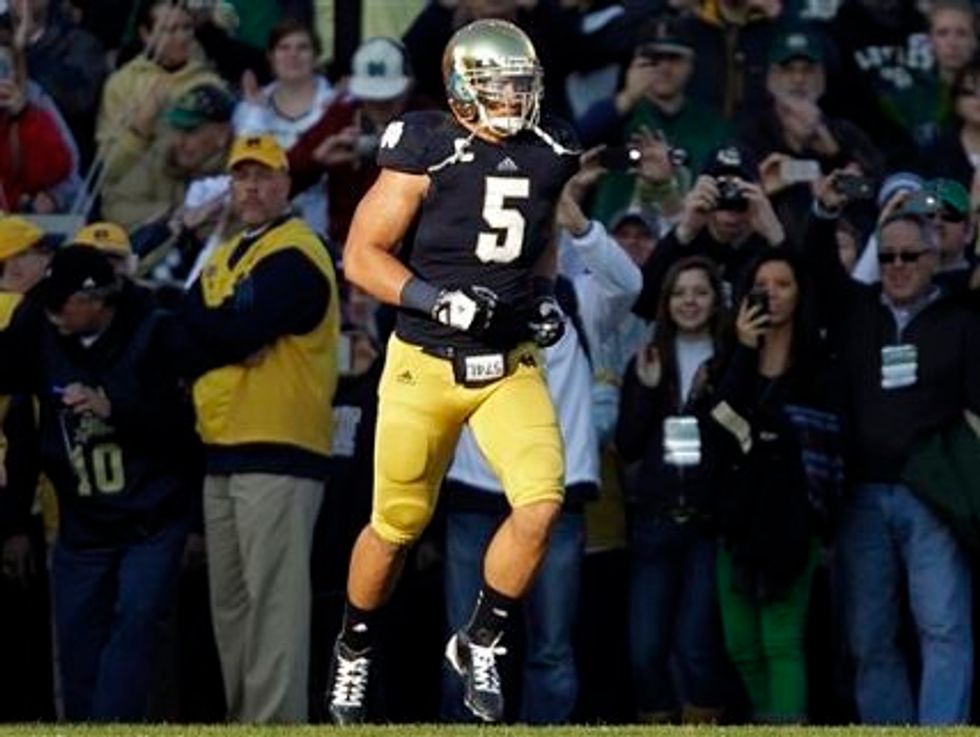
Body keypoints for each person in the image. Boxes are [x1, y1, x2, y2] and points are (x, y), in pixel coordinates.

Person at [325, 19, 579, 725]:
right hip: (424, 361)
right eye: (498, 86)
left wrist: (546, 297)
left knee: (541, 502)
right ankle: (354, 643)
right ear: (464, 87)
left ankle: (483, 637)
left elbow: (539, 236)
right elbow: (363, 254)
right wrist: (437, 298)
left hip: (507, 362)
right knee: (397, 525)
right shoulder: (427, 146)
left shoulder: (552, 148)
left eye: (520, 87)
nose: (511, 100)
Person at [808, 173, 979, 724]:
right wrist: (823, 212)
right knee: (867, 636)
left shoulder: (962, 322)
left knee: (944, 626)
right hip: (861, 496)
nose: (898, 267)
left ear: (934, 259)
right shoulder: (858, 312)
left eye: (910, 256)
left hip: (930, 496)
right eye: (888, 258)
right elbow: (814, 270)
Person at [180, 133, 340, 723]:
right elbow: (187, 333)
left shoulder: (298, 251)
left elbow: (229, 330)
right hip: (222, 448)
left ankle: (273, 724)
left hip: (281, 449)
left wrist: (215, 332)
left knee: (274, 606)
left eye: (263, 176)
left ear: (286, 185)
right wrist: (217, 332)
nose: (250, 187)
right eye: (241, 177)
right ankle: (246, 720)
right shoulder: (225, 255)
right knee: (233, 608)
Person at [0, 245, 198, 721]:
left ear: (97, 302)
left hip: (150, 519)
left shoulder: (156, 331)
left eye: (61, 303)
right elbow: (20, 417)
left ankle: (112, 727)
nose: (50, 311)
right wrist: (13, 519)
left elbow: (184, 431)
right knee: (76, 642)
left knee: (134, 625)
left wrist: (116, 409)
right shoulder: (38, 322)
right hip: (81, 523)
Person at [711, 252, 834, 722]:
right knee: (741, 645)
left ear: (800, 294)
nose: (772, 293)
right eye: (762, 284)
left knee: (781, 641)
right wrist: (744, 349)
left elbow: (827, 448)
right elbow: (719, 427)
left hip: (792, 523)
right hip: (735, 520)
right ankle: (770, 722)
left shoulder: (818, 364)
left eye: (783, 284)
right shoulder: (730, 357)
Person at [616, 256, 730, 724]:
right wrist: (645, 389)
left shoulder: (731, 360)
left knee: (696, 645)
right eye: (680, 293)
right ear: (666, 302)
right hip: (655, 523)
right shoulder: (647, 358)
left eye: (700, 292)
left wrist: (710, 397)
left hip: (709, 525)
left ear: (716, 301)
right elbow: (626, 445)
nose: (689, 301)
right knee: (644, 648)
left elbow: (737, 441)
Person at [233, 19, 333, 234]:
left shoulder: (335, 107)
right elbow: (244, 169)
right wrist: (255, 113)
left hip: (322, 225)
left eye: (302, 47)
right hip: (262, 225)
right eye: (284, 48)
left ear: (316, 56)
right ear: (271, 56)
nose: (293, 55)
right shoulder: (249, 110)